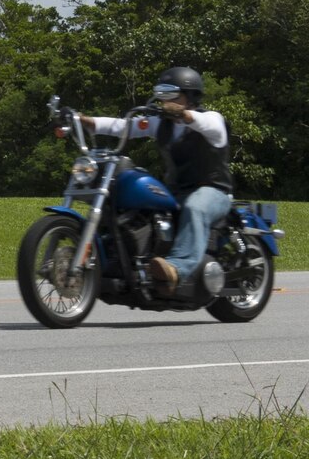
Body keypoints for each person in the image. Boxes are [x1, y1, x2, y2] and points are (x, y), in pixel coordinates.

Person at [77, 66, 232, 297]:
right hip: (177, 190)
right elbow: (123, 126)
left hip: (213, 191)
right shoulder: (161, 124)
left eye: (172, 95)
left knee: (195, 206)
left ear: (190, 96)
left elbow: (203, 123)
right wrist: (85, 121)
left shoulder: (212, 119)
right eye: (162, 95)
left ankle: (177, 269)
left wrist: (183, 114)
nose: (164, 100)